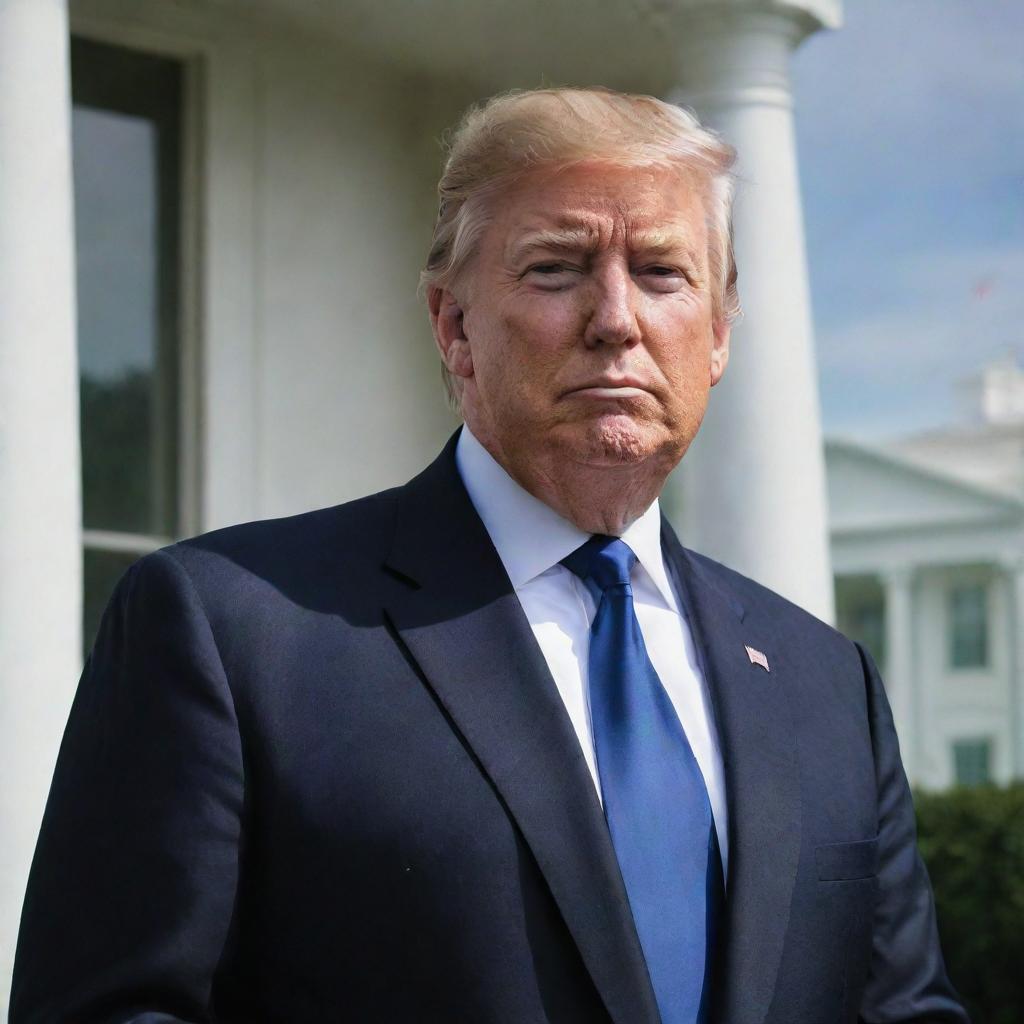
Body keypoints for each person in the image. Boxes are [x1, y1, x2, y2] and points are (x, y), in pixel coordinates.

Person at [11, 87, 968, 1024]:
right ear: (454, 325)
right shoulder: (231, 630)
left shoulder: (825, 679)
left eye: (663, 273)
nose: (616, 319)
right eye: (556, 268)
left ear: (718, 334)